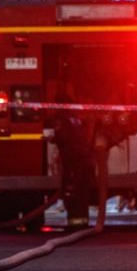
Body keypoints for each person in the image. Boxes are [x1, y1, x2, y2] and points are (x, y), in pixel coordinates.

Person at [50, 93, 96, 228]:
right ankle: (83, 222)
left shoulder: (61, 118)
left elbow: (63, 136)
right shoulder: (75, 118)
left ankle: (75, 224)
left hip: (73, 162)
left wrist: (52, 139)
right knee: (82, 194)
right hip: (84, 160)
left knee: (72, 194)